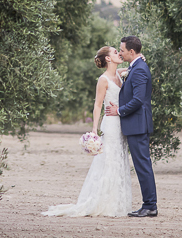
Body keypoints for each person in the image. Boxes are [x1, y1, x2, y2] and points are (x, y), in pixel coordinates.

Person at [42, 46, 132, 217]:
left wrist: (139, 58)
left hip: (121, 123)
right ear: (107, 59)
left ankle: (118, 201)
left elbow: (131, 67)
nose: (119, 54)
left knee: (120, 159)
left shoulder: (120, 74)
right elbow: (97, 105)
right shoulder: (103, 80)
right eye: (115, 52)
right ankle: (104, 202)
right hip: (111, 124)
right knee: (109, 161)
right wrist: (94, 130)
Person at [105, 35, 157, 217]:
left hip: (138, 125)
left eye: (122, 50)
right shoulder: (136, 66)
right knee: (142, 165)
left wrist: (119, 111)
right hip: (135, 125)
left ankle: (150, 205)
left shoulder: (140, 69)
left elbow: (138, 100)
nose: (120, 52)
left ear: (132, 51)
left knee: (143, 165)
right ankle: (149, 204)